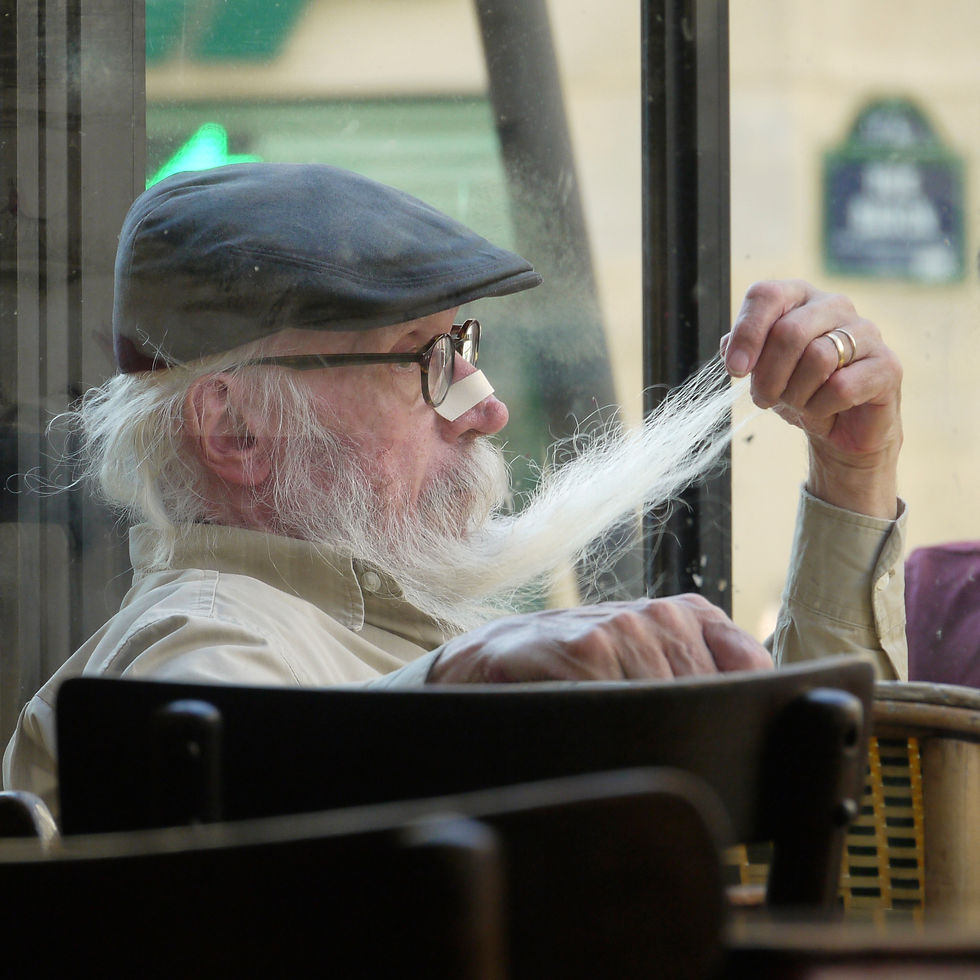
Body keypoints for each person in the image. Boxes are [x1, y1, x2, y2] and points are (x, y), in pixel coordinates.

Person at [3, 162, 907, 815]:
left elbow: (826, 815)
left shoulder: (381, 633)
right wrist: (472, 675)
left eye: (464, 348)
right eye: (426, 362)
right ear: (237, 430)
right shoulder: (209, 629)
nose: (488, 409)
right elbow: (210, 780)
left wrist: (852, 474)